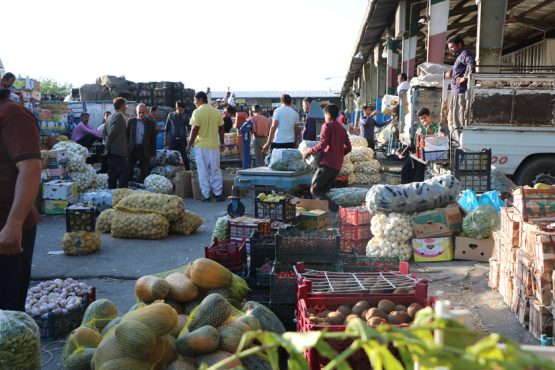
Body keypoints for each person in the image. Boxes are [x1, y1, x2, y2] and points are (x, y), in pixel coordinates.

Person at [0, 88, 42, 310]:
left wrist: (14, 223)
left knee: (7, 312)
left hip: (7, 232)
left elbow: (31, 169)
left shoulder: (13, 115)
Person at [302, 104, 351, 219]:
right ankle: (326, 218)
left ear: (328, 115)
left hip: (328, 164)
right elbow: (349, 148)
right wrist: (338, 153)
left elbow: (322, 145)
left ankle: (338, 211)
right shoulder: (342, 128)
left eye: (324, 114)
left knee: (315, 190)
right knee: (324, 190)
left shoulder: (327, 126)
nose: (324, 117)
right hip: (337, 165)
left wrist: (309, 151)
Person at [186, 91, 225, 202]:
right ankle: (218, 194)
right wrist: (222, 142)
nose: (194, 103)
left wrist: (189, 144)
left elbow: (194, 129)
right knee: (215, 170)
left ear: (200, 100)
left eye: (195, 100)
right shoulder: (216, 112)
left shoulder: (197, 112)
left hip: (201, 146)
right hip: (214, 146)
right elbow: (221, 128)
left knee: (203, 172)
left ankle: (206, 196)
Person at [399, 108, 441, 184]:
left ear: (429, 116)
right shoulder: (420, 127)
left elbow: (437, 139)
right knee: (405, 169)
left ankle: (417, 188)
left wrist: (428, 130)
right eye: (421, 118)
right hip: (418, 152)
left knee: (419, 172)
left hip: (429, 153)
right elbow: (415, 142)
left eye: (425, 117)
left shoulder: (436, 127)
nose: (423, 120)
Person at [446, 35, 475, 142]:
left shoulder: (465, 54)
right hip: (455, 92)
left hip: (461, 92)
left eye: (452, 47)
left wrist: (465, 77)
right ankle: (456, 140)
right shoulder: (459, 56)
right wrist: (452, 72)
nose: (451, 50)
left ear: (459, 44)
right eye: (449, 48)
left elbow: (471, 64)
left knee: (459, 118)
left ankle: (462, 141)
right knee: (452, 118)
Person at [127, 103, 157, 183]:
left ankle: (143, 188)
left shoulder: (151, 122)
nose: (141, 114)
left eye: (143, 112)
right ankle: (129, 187)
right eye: (139, 112)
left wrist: (153, 154)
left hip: (144, 149)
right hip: (132, 149)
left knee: (144, 170)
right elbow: (127, 136)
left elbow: (153, 139)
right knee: (128, 169)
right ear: (136, 112)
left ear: (146, 112)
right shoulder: (131, 121)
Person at [105, 97, 129, 188]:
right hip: (118, 150)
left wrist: (107, 147)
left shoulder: (109, 117)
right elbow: (112, 133)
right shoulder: (118, 116)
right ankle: (122, 192)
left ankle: (112, 192)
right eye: (125, 105)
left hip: (112, 150)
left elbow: (105, 133)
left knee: (113, 172)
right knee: (124, 171)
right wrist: (107, 147)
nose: (126, 107)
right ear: (122, 105)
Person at [165, 102, 191, 170]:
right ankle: (170, 170)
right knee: (171, 156)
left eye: (182, 110)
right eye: (180, 110)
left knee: (184, 156)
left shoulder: (186, 116)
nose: (181, 112)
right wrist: (165, 139)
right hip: (172, 139)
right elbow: (167, 128)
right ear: (176, 108)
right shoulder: (170, 115)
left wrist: (189, 140)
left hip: (182, 140)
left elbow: (189, 128)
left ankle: (187, 171)